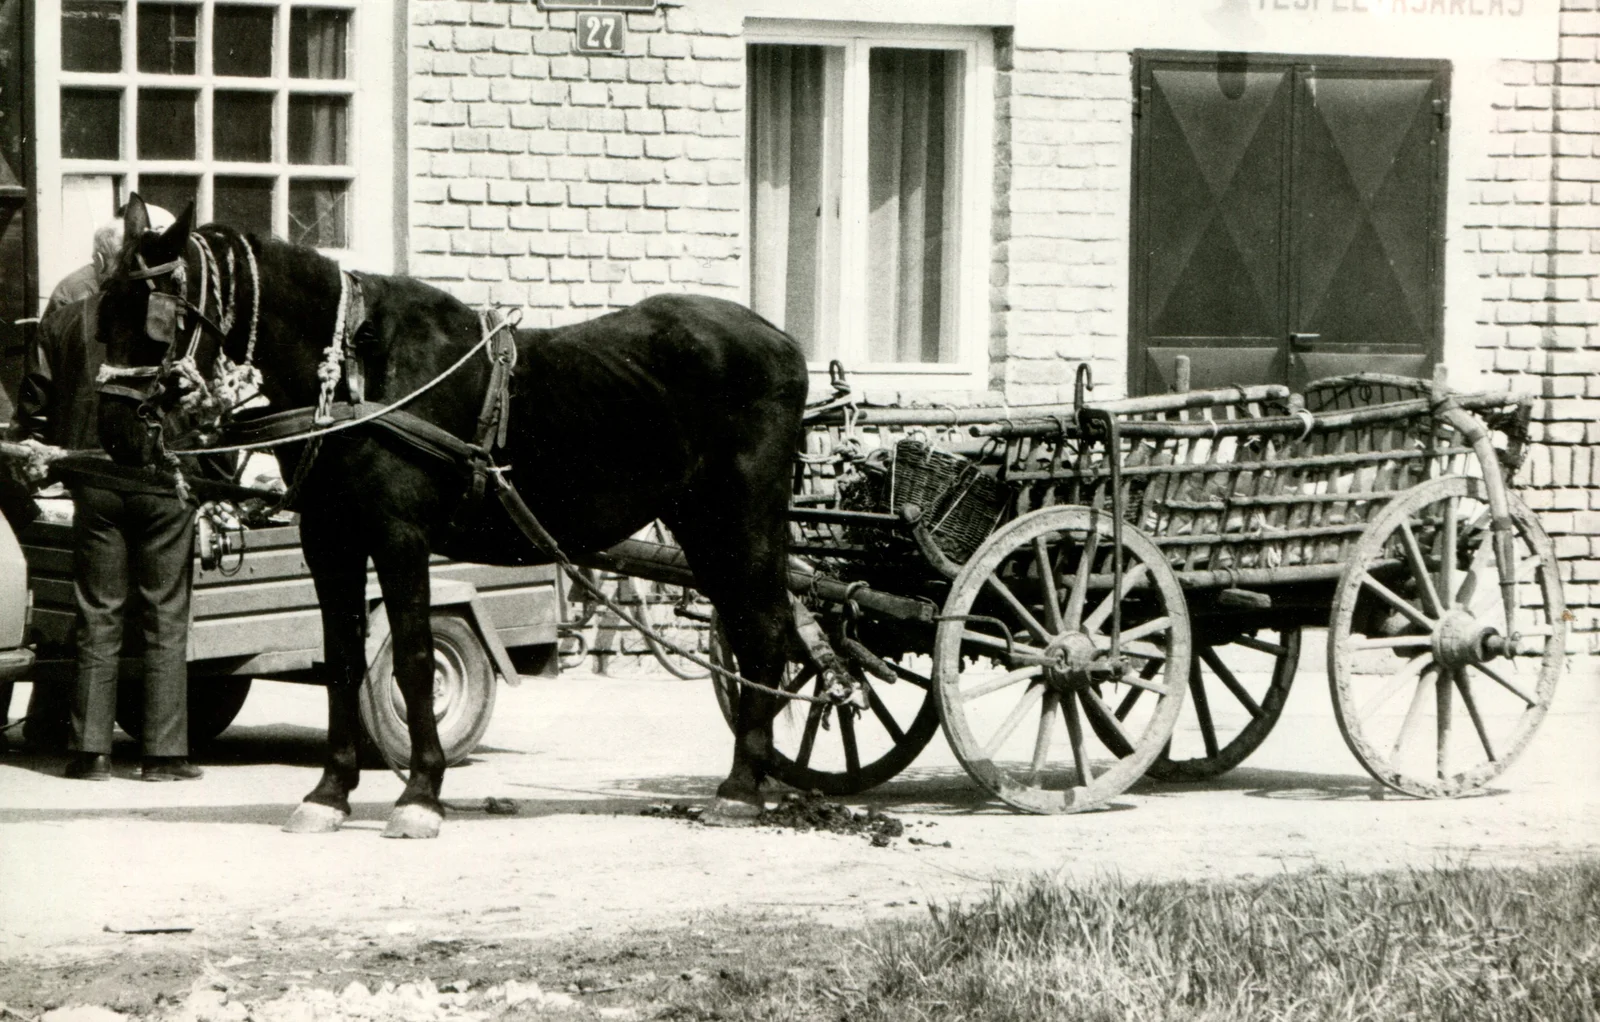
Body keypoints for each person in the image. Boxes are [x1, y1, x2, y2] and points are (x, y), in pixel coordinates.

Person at [17, 205, 205, 782]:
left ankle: (90, 752)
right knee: (164, 614)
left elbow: (33, 410)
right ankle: (163, 755)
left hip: (94, 481)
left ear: (103, 261)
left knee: (97, 614)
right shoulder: (170, 317)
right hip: (160, 478)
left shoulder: (64, 321)